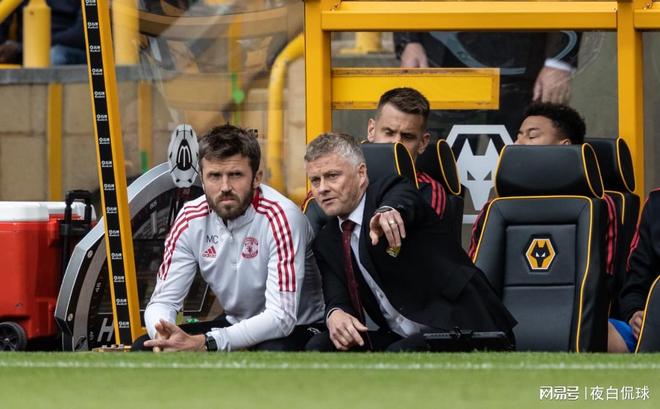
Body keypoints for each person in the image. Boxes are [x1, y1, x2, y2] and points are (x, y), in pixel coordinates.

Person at [304, 132, 516, 352]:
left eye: (332, 176)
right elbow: (337, 296)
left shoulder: (391, 190)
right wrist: (335, 313)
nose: (322, 188)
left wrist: (389, 212)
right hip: (400, 334)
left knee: (400, 352)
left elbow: (403, 199)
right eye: (315, 180)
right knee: (320, 346)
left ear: (361, 174)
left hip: (463, 324)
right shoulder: (327, 240)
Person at [137, 124, 324, 352]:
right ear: (202, 180)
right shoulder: (189, 218)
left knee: (271, 351)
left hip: (298, 327)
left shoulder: (282, 217)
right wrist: (164, 334)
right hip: (235, 323)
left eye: (235, 175)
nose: (225, 187)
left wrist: (207, 343)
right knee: (144, 347)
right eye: (215, 176)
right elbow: (162, 301)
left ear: (256, 178)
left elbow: (281, 317)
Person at [394, 31, 580, 138]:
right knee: (442, 161)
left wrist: (560, 60)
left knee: (524, 162)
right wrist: (409, 38)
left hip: (522, 60)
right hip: (444, 56)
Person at [468, 102, 589, 257]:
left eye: (532, 136)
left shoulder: (598, 205)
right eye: (517, 137)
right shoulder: (496, 208)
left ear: (564, 146)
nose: (517, 144)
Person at [366, 87, 446, 217]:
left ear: (423, 143)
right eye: (389, 132)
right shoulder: (349, 178)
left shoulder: (429, 191)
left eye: (407, 136)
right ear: (371, 130)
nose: (397, 143)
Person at [609, 189, 660, 352]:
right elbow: (634, 289)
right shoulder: (655, 203)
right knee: (596, 330)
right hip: (653, 334)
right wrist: (634, 315)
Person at [0, 0, 85, 65]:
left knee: (54, 55)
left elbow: (80, 35)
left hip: (68, 50)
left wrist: (22, 48)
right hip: (24, 52)